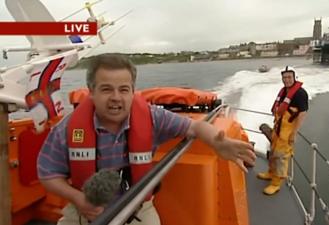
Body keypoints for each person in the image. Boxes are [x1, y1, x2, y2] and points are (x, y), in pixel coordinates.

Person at [37, 53, 256, 225]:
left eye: (124, 89)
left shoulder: (152, 118)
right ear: (91, 93)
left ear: (133, 92)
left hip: (138, 211)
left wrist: (217, 142)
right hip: (84, 212)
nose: (115, 97)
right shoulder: (67, 129)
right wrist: (78, 199)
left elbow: (196, 127)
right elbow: (48, 174)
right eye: (106, 89)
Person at [257, 66, 308, 195]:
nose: (286, 80)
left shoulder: (300, 93)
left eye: (289, 77)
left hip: (287, 132)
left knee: (281, 157)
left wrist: (293, 133)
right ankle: (270, 173)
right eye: (284, 77)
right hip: (278, 129)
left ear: (294, 77)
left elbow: (302, 113)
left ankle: (276, 183)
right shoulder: (284, 91)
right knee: (273, 152)